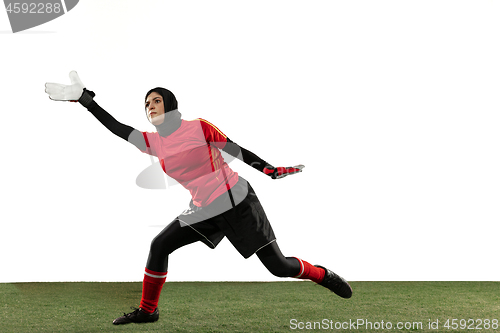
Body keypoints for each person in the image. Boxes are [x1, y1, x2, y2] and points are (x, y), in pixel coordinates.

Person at [45, 71, 353, 325]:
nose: (150, 106)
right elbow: (117, 128)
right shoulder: (153, 143)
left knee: (278, 267)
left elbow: (235, 149)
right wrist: (86, 101)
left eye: (156, 101)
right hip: (203, 209)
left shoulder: (198, 127)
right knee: (159, 245)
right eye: (146, 104)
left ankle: (323, 275)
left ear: (171, 105)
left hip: (238, 202)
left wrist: (270, 169)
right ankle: (148, 311)